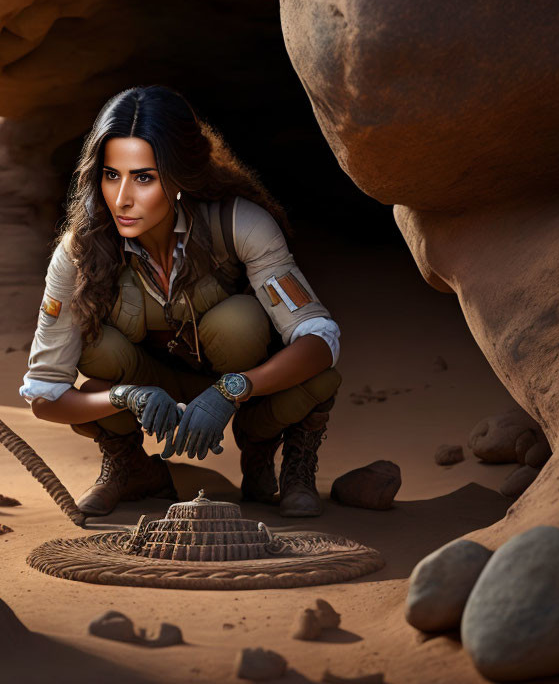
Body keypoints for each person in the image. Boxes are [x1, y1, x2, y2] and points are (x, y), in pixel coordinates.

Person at [20, 85, 341, 518]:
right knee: (98, 349)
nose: (122, 198)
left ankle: (271, 458)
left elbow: (319, 341)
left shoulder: (240, 224)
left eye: (144, 177)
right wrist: (125, 397)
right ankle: (130, 467)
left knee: (245, 325)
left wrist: (233, 389)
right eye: (112, 175)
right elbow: (45, 395)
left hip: (240, 382)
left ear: (180, 176)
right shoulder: (78, 252)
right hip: (146, 379)